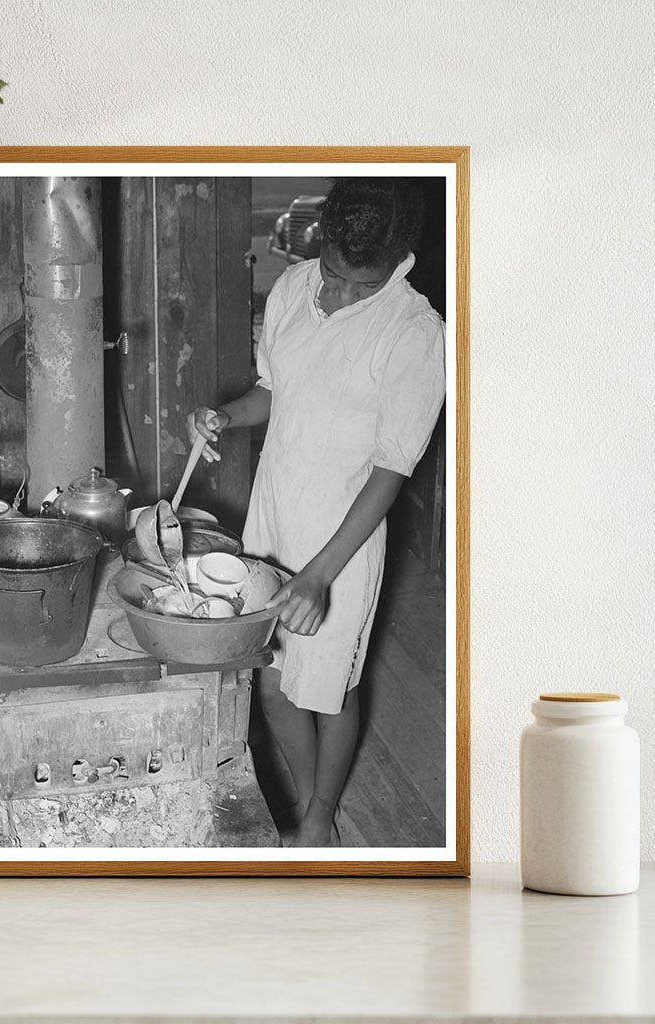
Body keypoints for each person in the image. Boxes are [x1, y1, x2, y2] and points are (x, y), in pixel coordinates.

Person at [188, 177, 446, 847]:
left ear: (397, 265)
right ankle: (308, 799)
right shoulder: (294, 287)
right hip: (273, 518)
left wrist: (320, 575)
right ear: (323, 244)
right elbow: (272, 390)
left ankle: (318, 816)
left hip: (345, 541)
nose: (336, 295)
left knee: (330, 688)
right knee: (272, 683)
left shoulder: (416, 334)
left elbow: (392, 468)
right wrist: (223, 415)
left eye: (360, 288)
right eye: (333, 274)